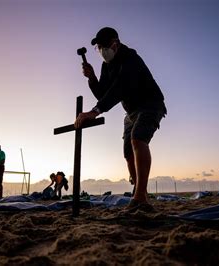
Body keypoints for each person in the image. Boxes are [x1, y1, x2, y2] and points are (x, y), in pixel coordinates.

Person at [75, 27, 166, 212]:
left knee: (138, 138)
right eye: (98, 47)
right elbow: (103, 93)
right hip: (131, 111)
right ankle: (141, 195)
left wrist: (94, 111)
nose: (101, 51)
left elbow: (120, 89)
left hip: (151, 104)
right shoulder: (106, 65)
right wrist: (92, 77)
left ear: (115, 44)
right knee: (128, 153)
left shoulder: (130, 58)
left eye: (103, 46)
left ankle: (140, 196)